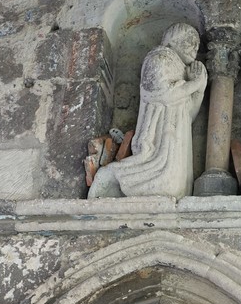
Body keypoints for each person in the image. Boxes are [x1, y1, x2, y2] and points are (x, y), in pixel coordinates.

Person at [88, 23, 207, 198]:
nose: (195, 47)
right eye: (190, 40)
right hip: (157, 135)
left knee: (175, 186)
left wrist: (200, 89)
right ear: (173, 40)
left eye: (197, 44)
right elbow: (161, 93)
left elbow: (189, 115)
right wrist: (194, 84)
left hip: (176, 138)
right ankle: (111, 178)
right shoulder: (159, 58)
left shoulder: (184, 73)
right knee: (162, 181)